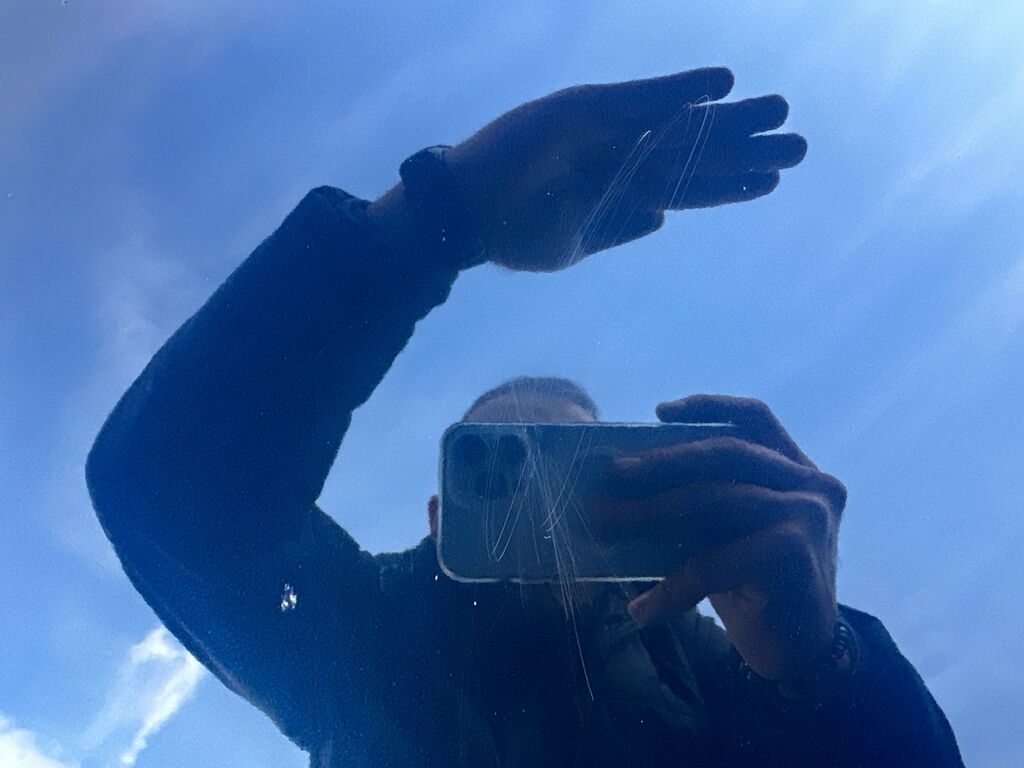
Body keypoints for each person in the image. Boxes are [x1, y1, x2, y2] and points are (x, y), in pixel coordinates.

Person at [85, 68, 964, 766]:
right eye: (502, 464)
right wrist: (441, 212)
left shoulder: (719, 668)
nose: (544, 502)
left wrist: (828, 665)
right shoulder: (361, 638)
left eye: (575, 463)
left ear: (636, 472)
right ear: (440, 517)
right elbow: (169, 488)